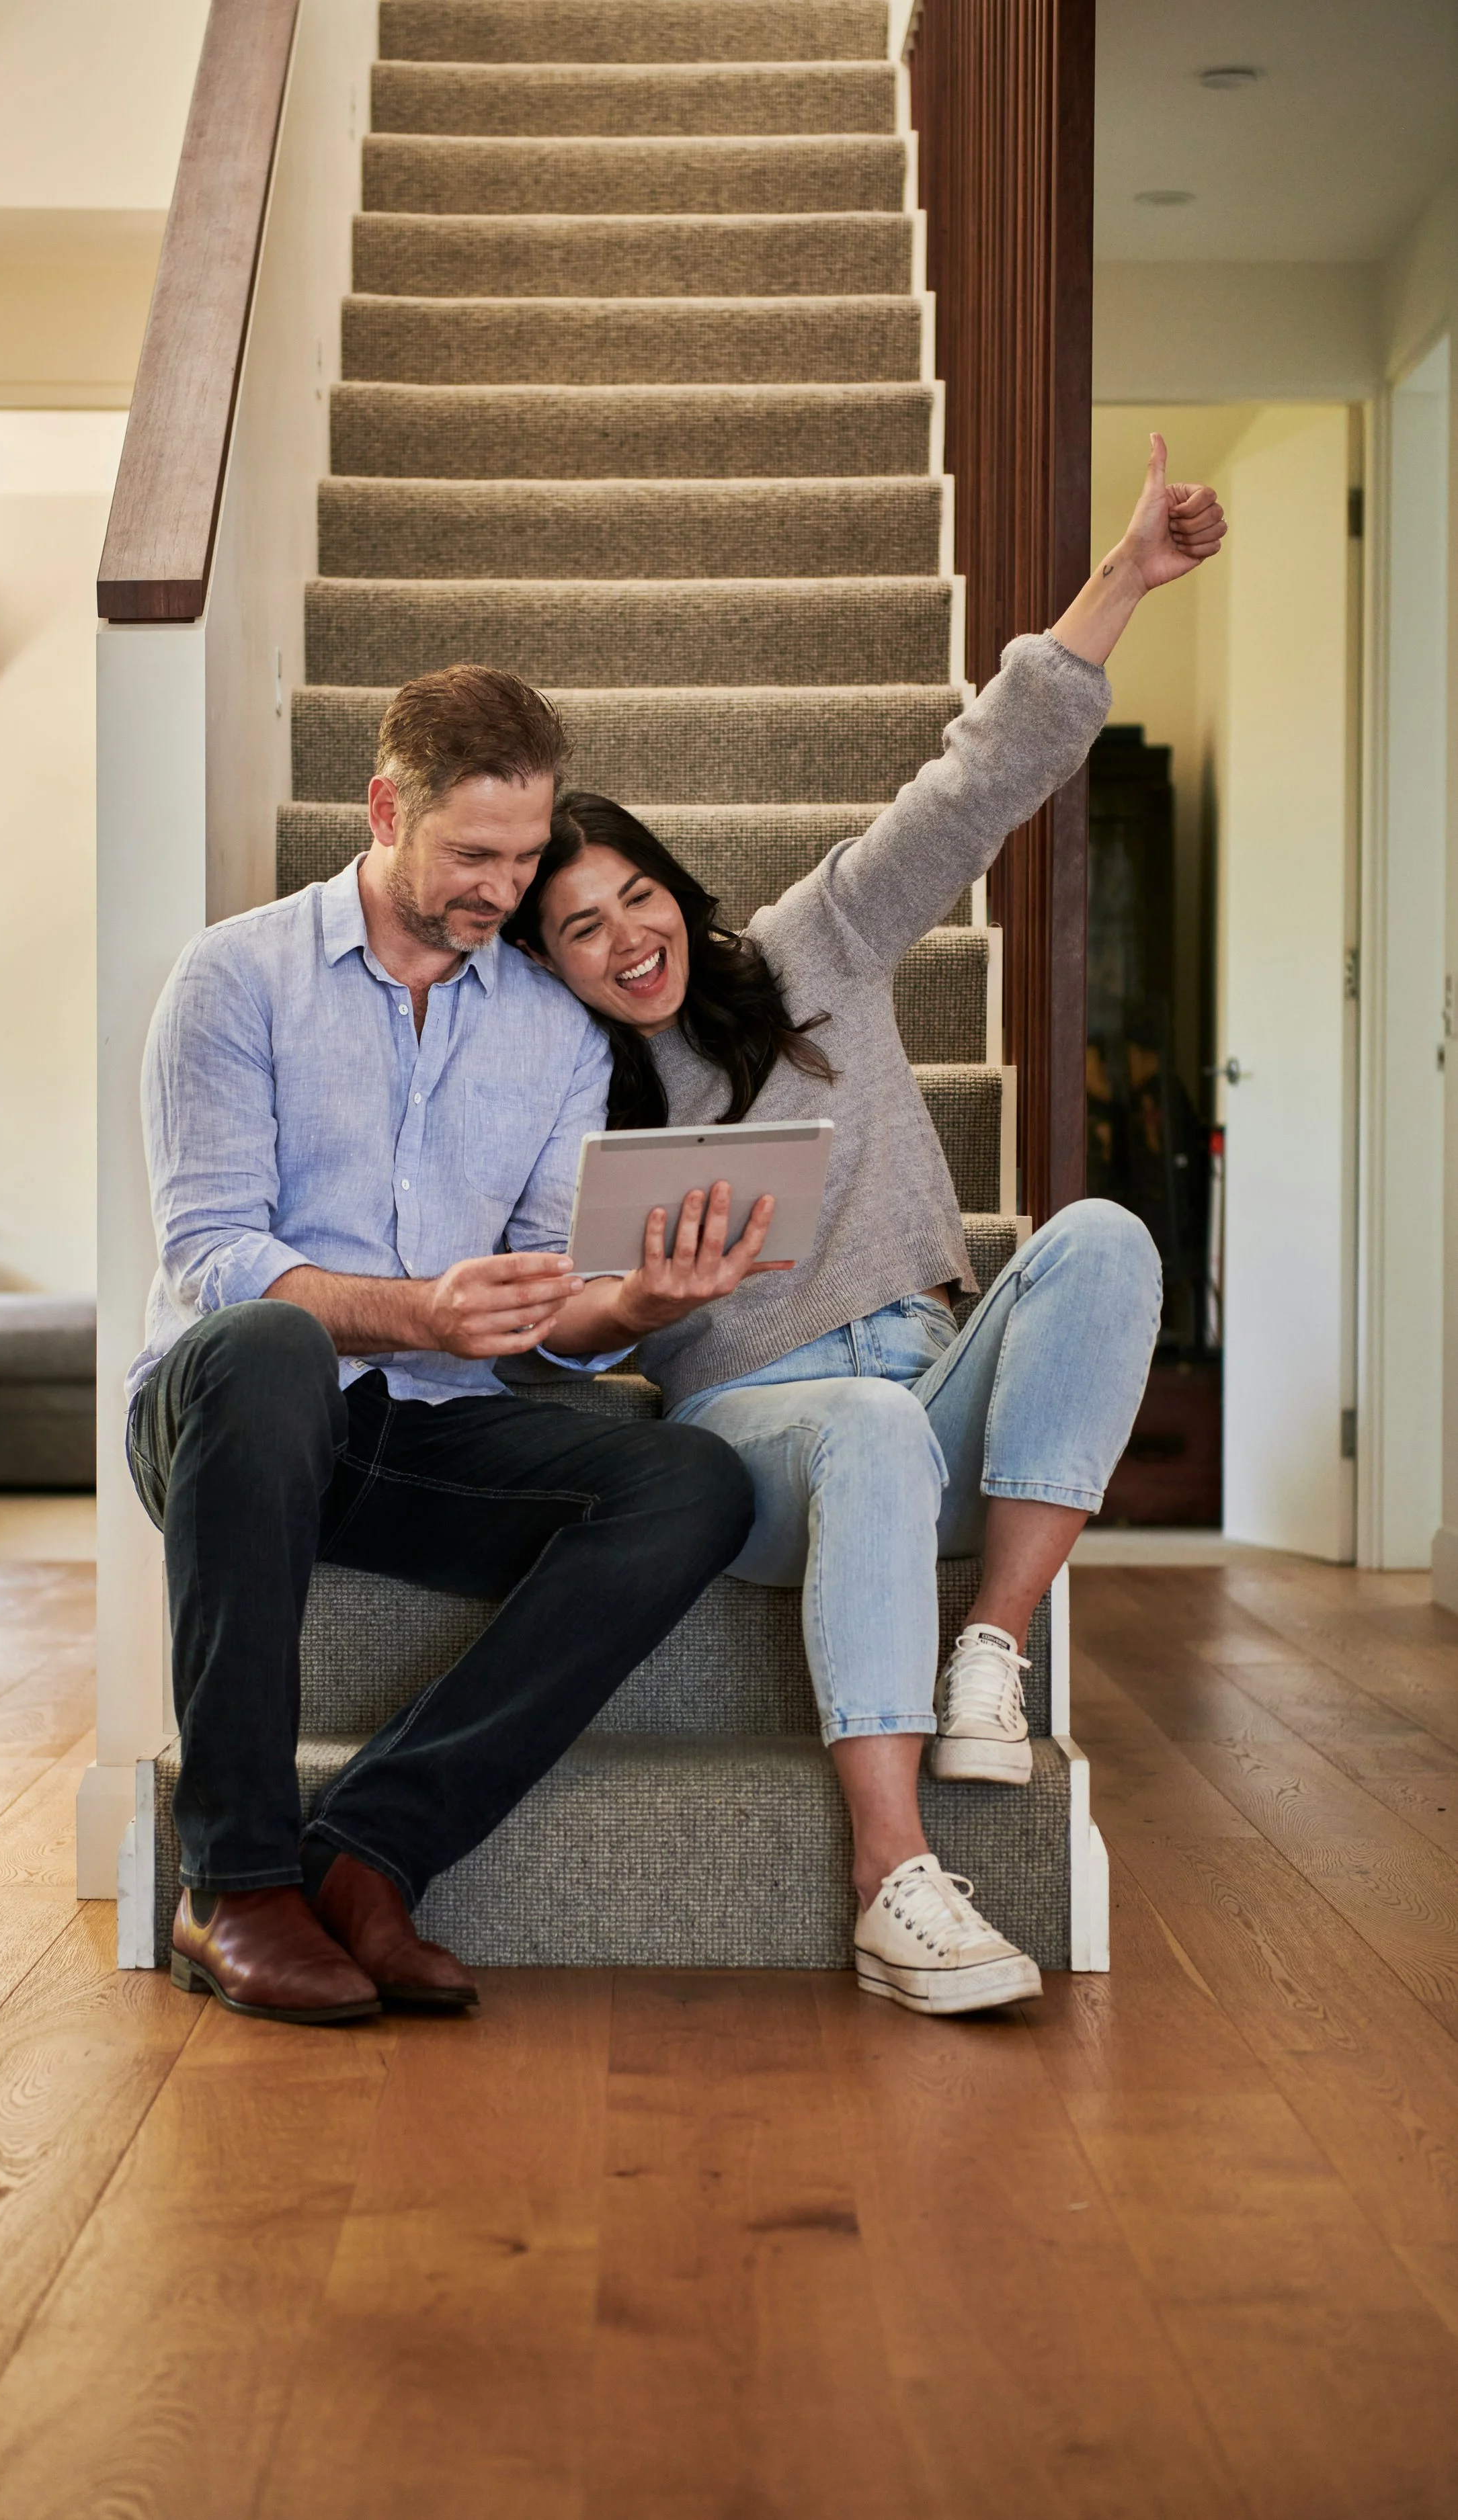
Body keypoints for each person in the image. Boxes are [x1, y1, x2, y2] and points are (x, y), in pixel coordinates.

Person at [506, 435, 1227, 2017]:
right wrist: (632, 1313)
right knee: (865, 1435)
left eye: (634, 898)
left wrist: (1122, 582)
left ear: (673, 891)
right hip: (760, 1439)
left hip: (925, 1370)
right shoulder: (560, 1102)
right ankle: (887, 1877)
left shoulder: (810, 949)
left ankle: (989, 1647)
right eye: (575, 930)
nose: (623, 939)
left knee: (1101, 1232)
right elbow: (531, 1322)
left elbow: (978, 780)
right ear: (544, 967)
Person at [128, 665, 766, 2026]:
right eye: (473, 854)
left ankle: (366, 1854)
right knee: (267, 1346)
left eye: (525, 856)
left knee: (692, 1481)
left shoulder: (550, 1026)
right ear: (383, 811)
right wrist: (414, 1309)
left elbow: (547, 1293)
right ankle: (233, 1881)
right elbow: (214, 1253)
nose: (502, 889)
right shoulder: (234, 978)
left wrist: (633, 1310)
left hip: (418, 1433)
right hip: (230, 1423)